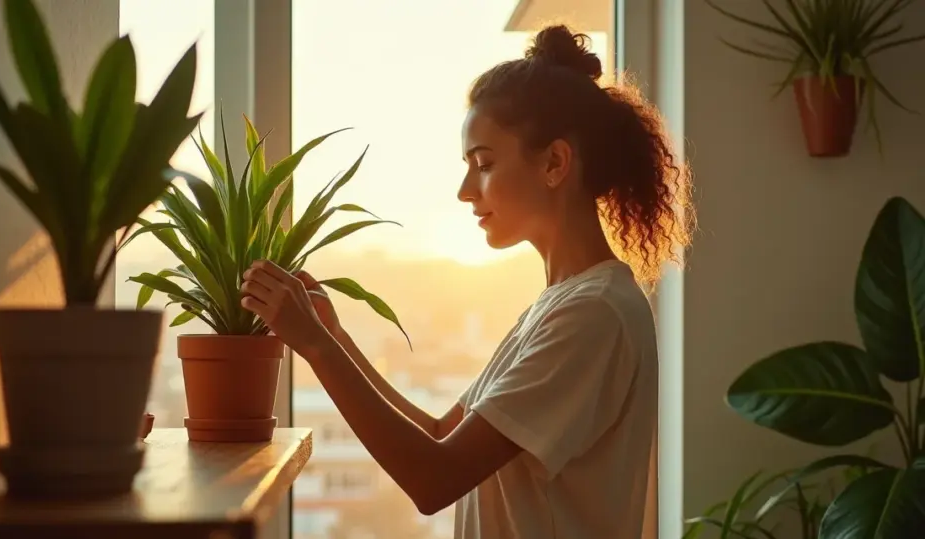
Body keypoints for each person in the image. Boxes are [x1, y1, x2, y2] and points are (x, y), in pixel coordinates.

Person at [240, 23, 694, 539]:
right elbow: (441, 433)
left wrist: (317, 346)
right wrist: (336, 337)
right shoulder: (560, 305)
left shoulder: (593, 315)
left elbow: (434, 478)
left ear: (554, 162)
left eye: (483, 163)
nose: (464, 190)